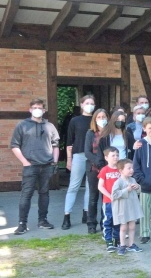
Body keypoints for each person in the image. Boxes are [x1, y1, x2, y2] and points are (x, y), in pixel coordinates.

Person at [11, 98, 60, 235]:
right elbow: (14, 146)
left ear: (44, 110)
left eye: (40, 107)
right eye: (34, 107)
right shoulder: (22, 125)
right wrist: (25, 162)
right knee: (26, 194)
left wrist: (54, 161)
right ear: (30, 110)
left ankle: (43, 220)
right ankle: (22, 224)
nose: (37, 109)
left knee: (44, 193)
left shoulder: (50, 126)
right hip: (30, 166)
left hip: (46, 165)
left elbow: (55, 145)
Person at [63, 94, 95, 230]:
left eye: (92, 103)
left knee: (90, 186)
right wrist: (69, 159)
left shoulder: (97, 119)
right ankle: (67, 215)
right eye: (87, 103)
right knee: (73, 186)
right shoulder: (75, 121)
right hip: (79, 155)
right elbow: (69, 141)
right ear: (81, 105)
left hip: (92, 156)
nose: (90, 105)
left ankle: (86, 213)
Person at [83, 108, 109, 234]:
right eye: (99, 117)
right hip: (93, 169)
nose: (102, 119)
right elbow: (87, 152)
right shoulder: (90, 133)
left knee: (106, 197)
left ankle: (105, 222)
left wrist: (106, 165)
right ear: (94, 119)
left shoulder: (109, 133)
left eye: (104, 117)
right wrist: (98, 163)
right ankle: (91, 224)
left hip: (107, 168)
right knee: (93, 197)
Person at [111, 159, 144, 255]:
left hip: (132, 207)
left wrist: (137, 187)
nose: (131, 170)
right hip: (123, 208)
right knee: (123, 227)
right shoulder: (118, 182)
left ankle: (131, 244)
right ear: (121, 170)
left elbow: (138, 191)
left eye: (132, 168)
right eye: (129, 168)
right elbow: (114, 195)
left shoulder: (133, 180)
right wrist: (127, 190)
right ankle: (122, 245)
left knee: (132, 226)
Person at [97, 148, 122, 252]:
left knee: (118, 221)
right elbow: (100, 186)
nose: (115, 157)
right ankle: (108, 241)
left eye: (117, 155)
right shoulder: (104, 170)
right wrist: (109, 195)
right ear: (106, 158)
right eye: (113, 155)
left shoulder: (120, 169)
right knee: (108, 221)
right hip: (108, 201)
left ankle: (117, 240)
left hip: (119, 201)